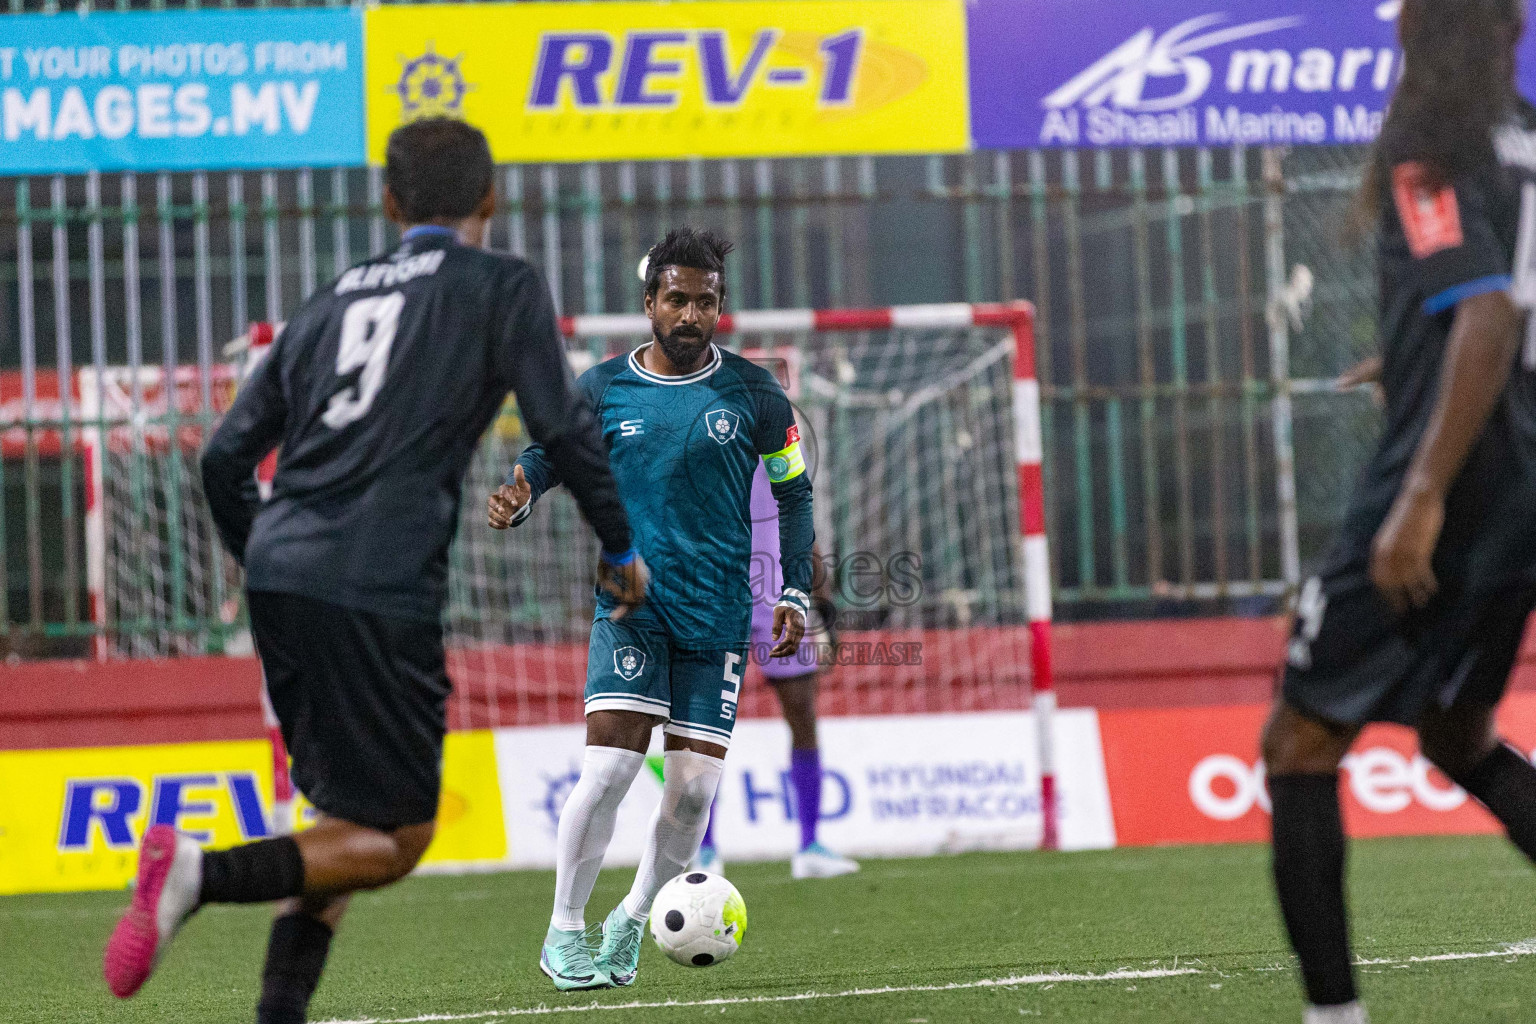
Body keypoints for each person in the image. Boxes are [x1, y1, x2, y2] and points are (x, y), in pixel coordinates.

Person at [102, 117, 643, 1024]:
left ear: (389, 202)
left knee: (342, 833)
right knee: (396, 838)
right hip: (377, 582)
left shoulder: (327, 302)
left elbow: (221, 459)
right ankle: (195, 874)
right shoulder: (501, 284)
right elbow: (564, 428)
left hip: (282, 574)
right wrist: (620, 547)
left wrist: (270, 559)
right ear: (491, 198)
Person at [1262, 3, 1536, 1022]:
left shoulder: (1434, 143)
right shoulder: (1529, 137)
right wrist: (1415, 361)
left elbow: (1489, 311)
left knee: (1297, 743)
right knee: (1459, 736)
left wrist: (1420, 494)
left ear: (1423, 37)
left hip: (1454, 488)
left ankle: (1334, 1014)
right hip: (1523, 491)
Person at [488, 227, 814, 990]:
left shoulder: (758, 395)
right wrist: (523, 490)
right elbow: (546, 453)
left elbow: (795, 492)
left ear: (721, 307)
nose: (691, 313)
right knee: (609, 770)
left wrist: (792, 587)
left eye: (706, 300)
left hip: (719, 613)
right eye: (677, 298)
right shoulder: (603, 388)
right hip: (632, 602)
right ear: (649, 303)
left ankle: (631, 919)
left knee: (694, 788)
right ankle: (563, 930)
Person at [691, 481, 858, 880]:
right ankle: (705, 849)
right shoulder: (700, 434)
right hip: (715, 596)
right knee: (702, 726)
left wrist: (824, 608)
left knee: (803, 717)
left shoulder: (781, 441)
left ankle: (810, 845)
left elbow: (802, 526)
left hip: (778, 599)